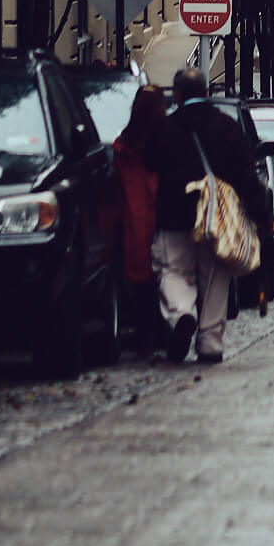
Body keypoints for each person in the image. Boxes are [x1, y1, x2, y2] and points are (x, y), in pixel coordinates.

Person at [147, 67, 270, 367]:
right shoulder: (226, 126)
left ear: (176, 94)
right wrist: (262, 214)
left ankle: (181, 315)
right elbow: (246, 174)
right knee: (216, 277)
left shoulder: (164, 128)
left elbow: (149, 166)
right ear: (206, 92)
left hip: (174, 215)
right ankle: (211, 342)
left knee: (173, 270)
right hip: (218, 218)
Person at [111, 83, 166, 358]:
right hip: (162, 215)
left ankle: (144, 336)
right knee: (167, 277)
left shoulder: (124, 147)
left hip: (133, 220)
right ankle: (162, 332)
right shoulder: (165, 141)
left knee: (139, 283)